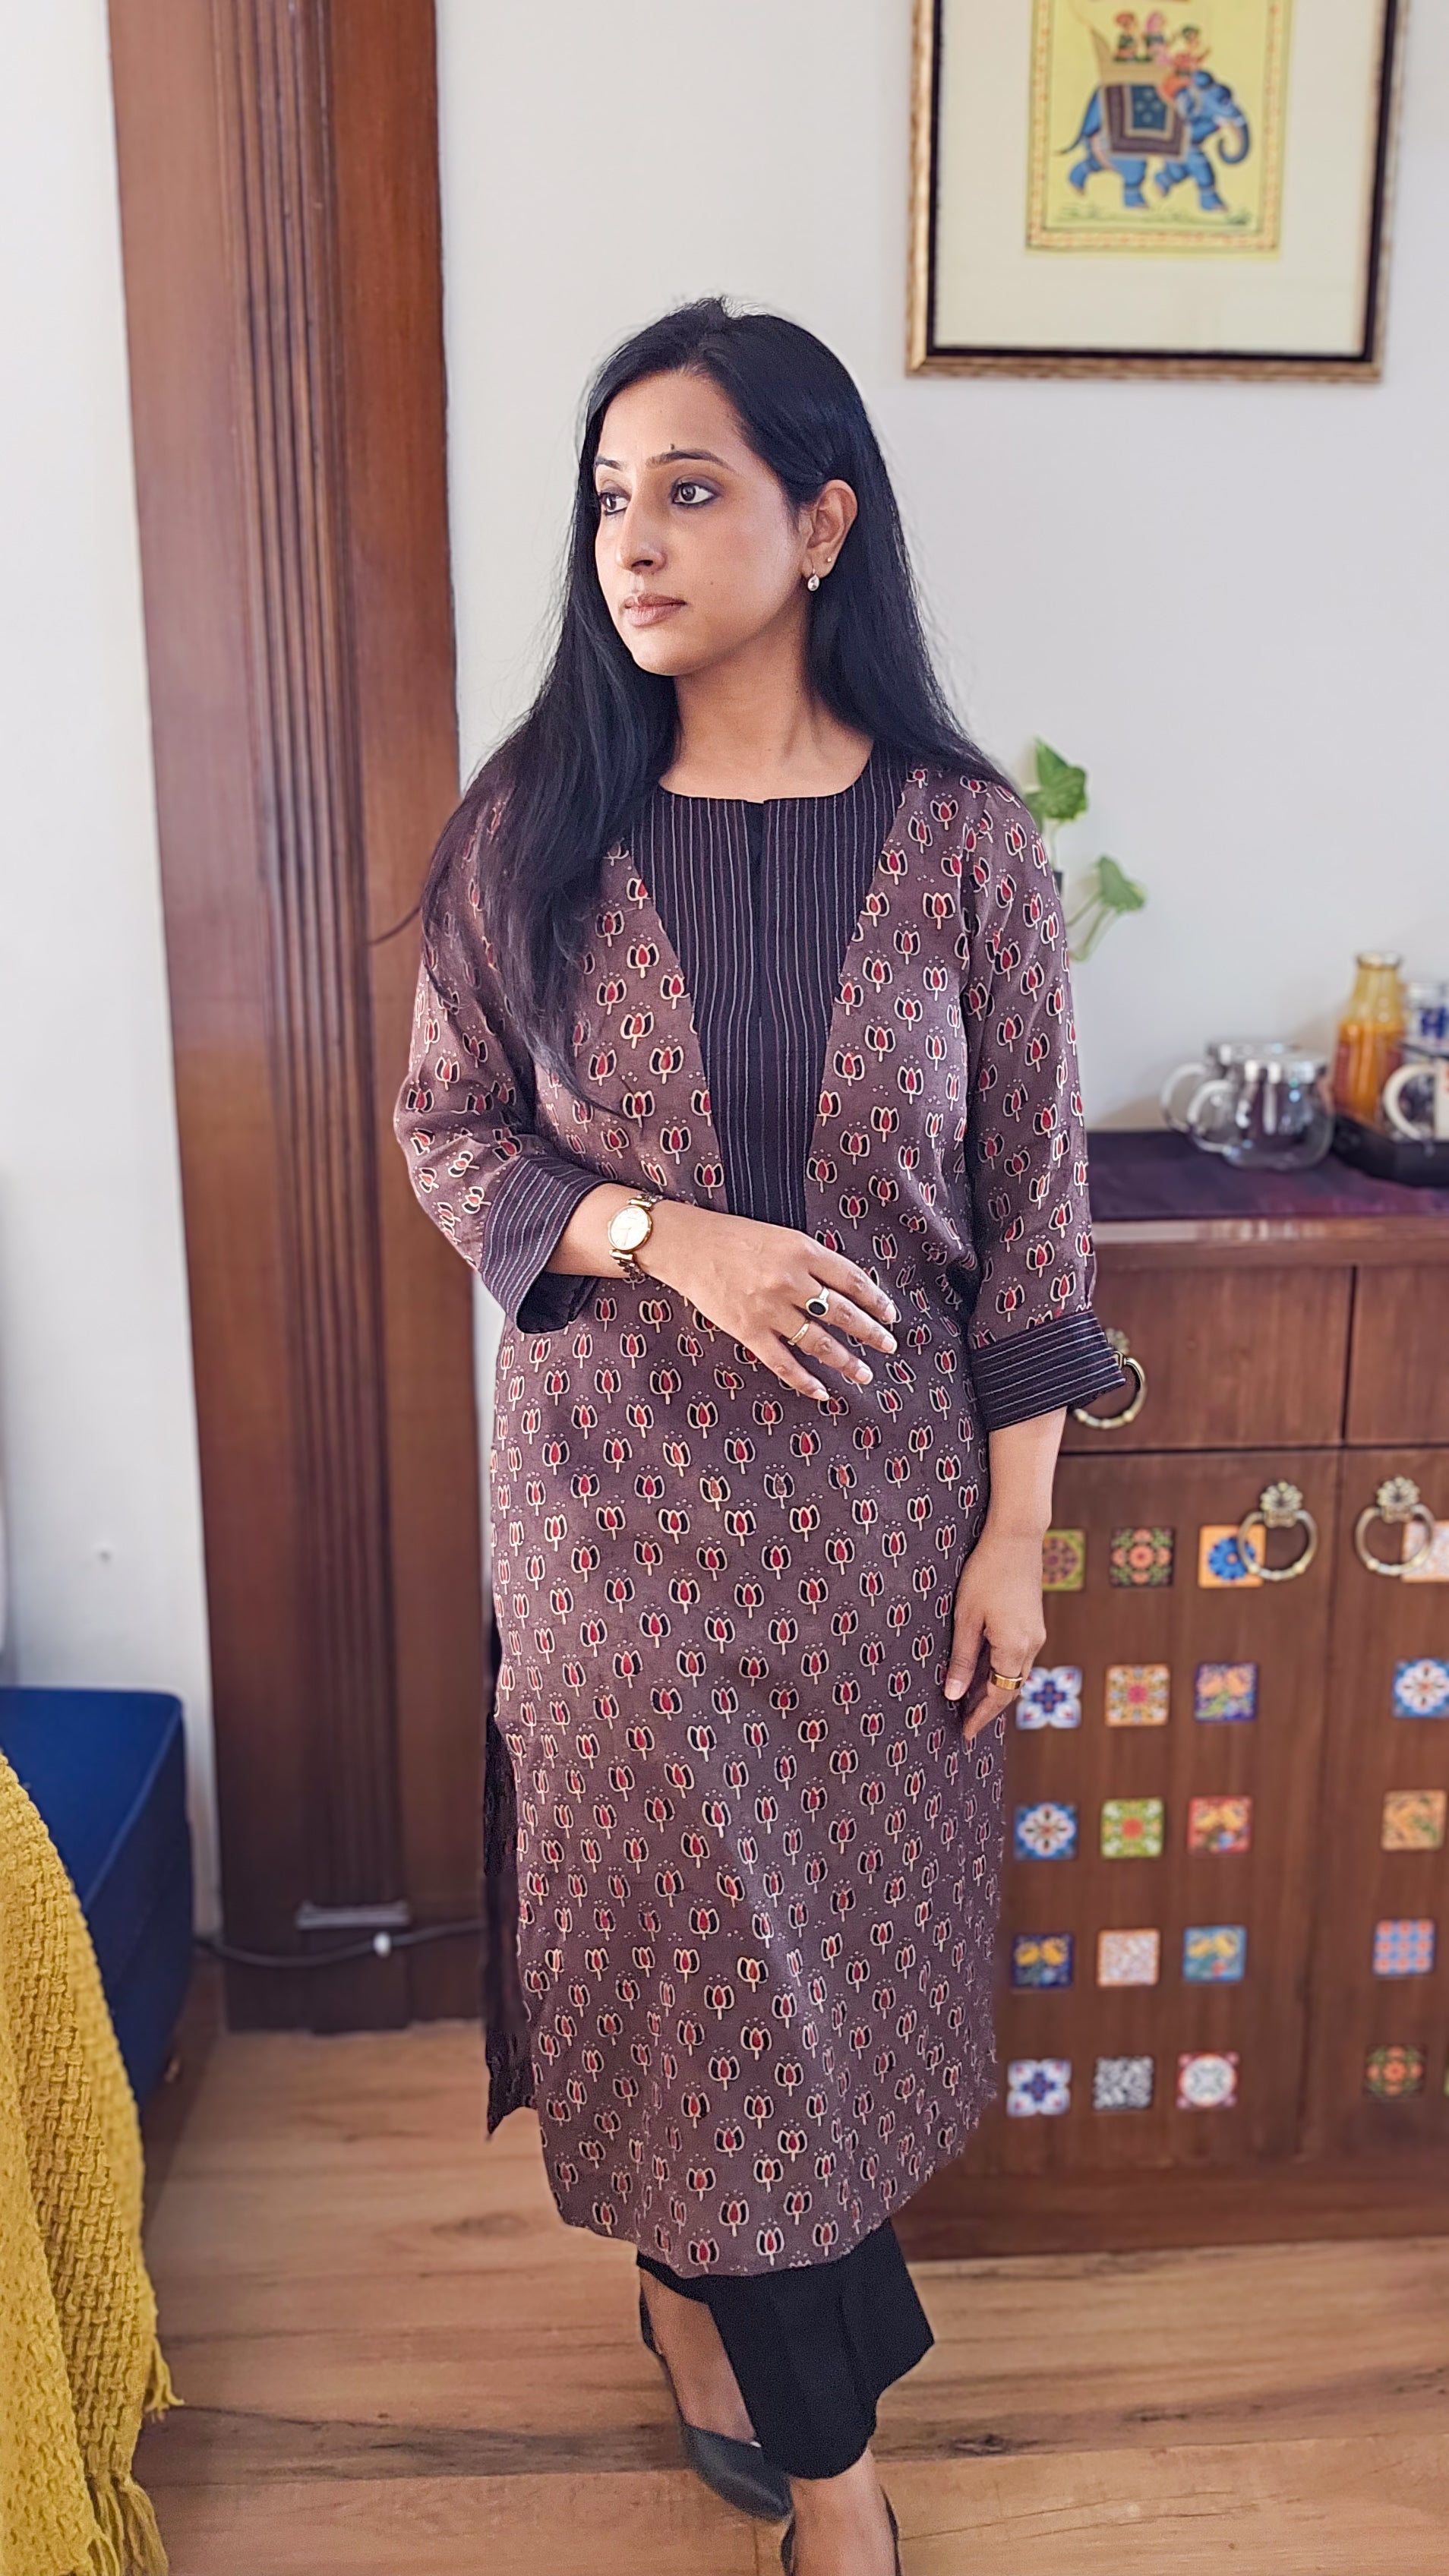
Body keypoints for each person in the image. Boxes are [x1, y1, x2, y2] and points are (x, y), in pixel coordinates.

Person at [396, 298, 1121, 2576]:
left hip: (889, 1543)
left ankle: (691, 2305)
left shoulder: (971, 849)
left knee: (813, 2002)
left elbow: (1034, 1236)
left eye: (690, 488)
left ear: (819, 525)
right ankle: (843, 2499)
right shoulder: (537, 826)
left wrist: (1014, 1539)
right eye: (611, 494)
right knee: (682, 1966)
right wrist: (658, 1232)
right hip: (615, 1533)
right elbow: (447, 1133)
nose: (635, 538)